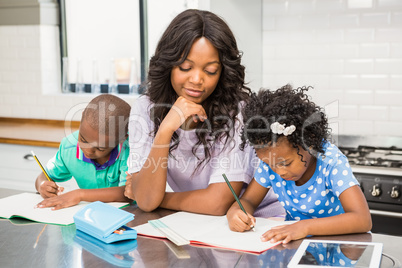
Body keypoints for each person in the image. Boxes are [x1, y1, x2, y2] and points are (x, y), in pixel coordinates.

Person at [124, 9, 284, 217]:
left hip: (262, 221)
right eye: (185, 67)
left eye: (210, 71)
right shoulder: (144, 109)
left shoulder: (237, 113)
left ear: (223, 71)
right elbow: (145, 201)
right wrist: (165, 130)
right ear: (168, 65)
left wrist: (157, 198)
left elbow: (217, 204)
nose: (197, 79)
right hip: (202, 224)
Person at [226, 84, 372, 243]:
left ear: (309, 142)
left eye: (286, 163)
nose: (279, 172)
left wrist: (305, 227)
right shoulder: (272, 163)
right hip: (295, 244)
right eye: (270, 165)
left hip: (335, 247)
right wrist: (236, 212)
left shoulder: (330, 162)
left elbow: (362, 220)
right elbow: (248, 201)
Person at [35, 94, 131, 210]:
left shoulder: (130, 150)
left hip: (126, 216)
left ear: (122, 138)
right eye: (83, 140)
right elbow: (44, 176)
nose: (88, 150)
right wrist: (42, 186)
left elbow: (127, 193)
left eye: (100, 148)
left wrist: (79, 194)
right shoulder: (68, 147)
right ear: (81, 119)